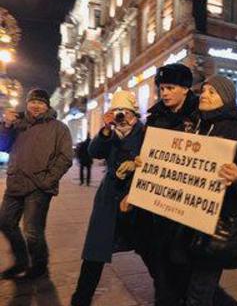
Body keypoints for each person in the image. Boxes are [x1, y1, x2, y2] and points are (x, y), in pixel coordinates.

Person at [169, 74, 237, 305]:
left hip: (214, 228)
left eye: (212, 92)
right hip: (186, 222)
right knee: (184, 282)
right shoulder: (195, 129)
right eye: (203, 91)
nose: (204, 96)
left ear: (226, 98)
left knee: (199, 293)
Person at [71, 91, 144, 306]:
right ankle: (81, 298)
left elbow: (154, 159)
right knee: (95, 248)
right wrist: (105, 129)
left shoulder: (145, 132)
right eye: (116, 111)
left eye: (125, 112)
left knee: (150, 249)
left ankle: (168, 294)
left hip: (135, 196)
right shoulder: (110, 133)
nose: (121, 116)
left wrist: (137, 165)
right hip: (109, 196)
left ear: (134, 113)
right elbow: (95, 152)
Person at [136, 63, 200, 305]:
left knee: (183, 260)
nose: (164, 93)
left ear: (185, 89)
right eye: (162, 88)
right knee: (159, 259)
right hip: (158, 204)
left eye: (170, 87)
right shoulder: (155, 119)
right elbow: (146, 150)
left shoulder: (200, 117)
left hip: (188, 205)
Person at [0, 88, 73, 280]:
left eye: (40, 102)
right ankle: (21, 261)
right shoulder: (18, 124)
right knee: (5, 222)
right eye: (33, 101)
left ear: (47, 105)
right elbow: (2, 146)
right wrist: (6, 125)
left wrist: (47, 180)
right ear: (27, 103)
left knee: (32, 231)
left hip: (39, 187)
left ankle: (40, 265)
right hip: (15, 182)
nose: (36, 105)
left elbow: (65, 157)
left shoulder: (59, 128)